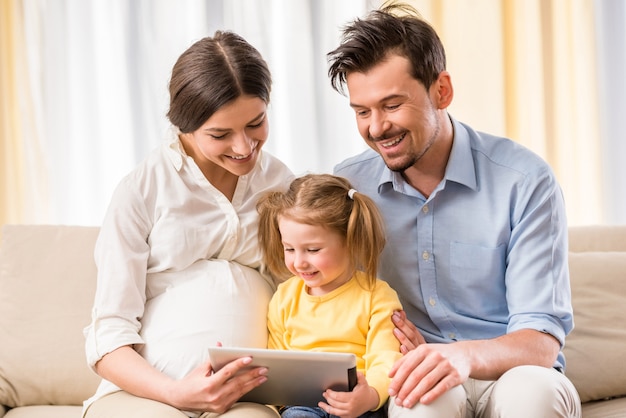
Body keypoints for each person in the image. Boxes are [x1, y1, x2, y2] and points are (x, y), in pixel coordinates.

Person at [327, 3, 582, 418]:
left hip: (521, 372)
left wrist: (461, 355)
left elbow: (541, 340)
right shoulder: (351, 187)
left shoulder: (524, 180)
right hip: (420, 370)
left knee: (529, 397)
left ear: (441, 91)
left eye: (392, 105)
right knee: (417, 401)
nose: (376, 128)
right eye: (362, 111)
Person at [82, 31, 294, 418]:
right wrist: (176, 394)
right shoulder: (141, 191)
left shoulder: (280, 184)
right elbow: (108, 333)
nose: (244, 147)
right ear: (185, 126)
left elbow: (304, 292)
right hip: (147, 395)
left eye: (256, 123)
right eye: (220, 134)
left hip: (246, 399)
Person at [256, 173, 402, 418]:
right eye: (289, 249)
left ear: (350, 240)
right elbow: (278, 362)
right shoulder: (284, 297)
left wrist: (371, 396)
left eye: (313, 250)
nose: (299, 262)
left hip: (357, 402)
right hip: (303, 405)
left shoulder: (376, 296)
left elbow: (386, 359)